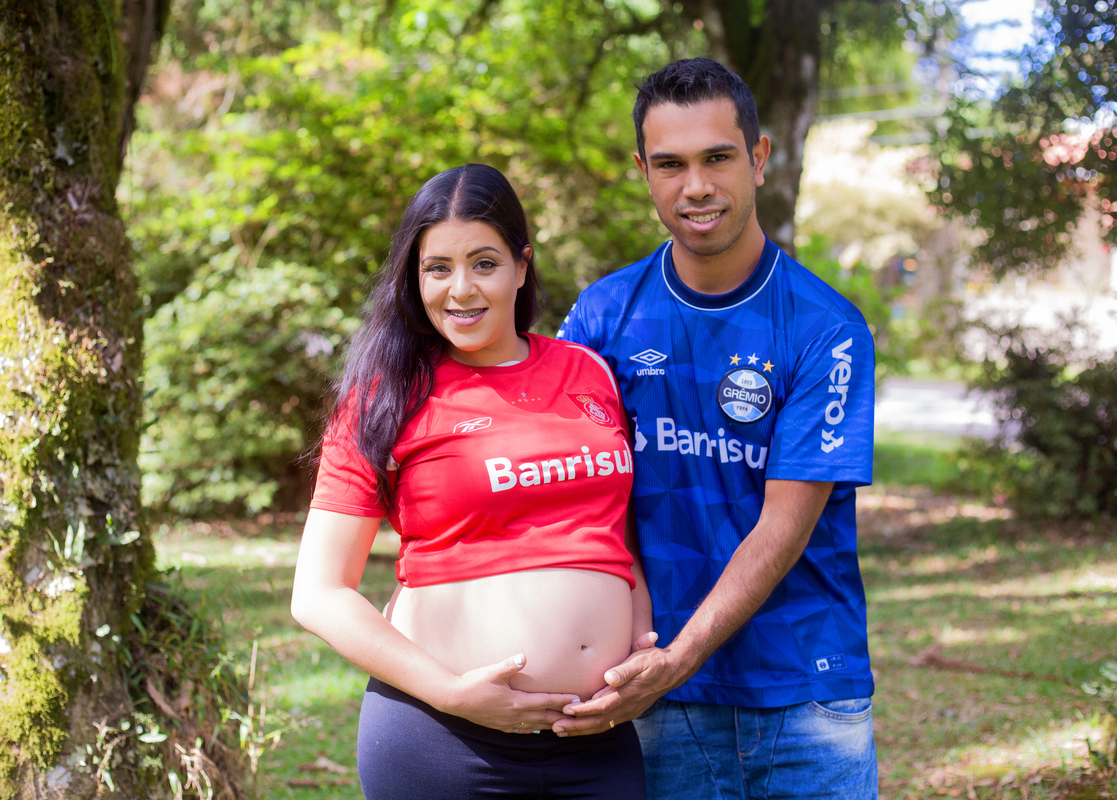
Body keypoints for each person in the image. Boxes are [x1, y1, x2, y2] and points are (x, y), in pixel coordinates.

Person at [555, 58, 879, 799]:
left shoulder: (825, 329)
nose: (695, 186)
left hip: (805, 692)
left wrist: (681, 655)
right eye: (670, 164)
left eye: (717, 158)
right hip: (652, 689)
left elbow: (783, 527)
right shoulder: (603, 318)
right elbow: (566, 488)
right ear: (643, 170)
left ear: (759, 159)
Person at [291, 163, 654, 799]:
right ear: (415, 277)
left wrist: (635, 647)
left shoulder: (588, 371)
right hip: (445, 741)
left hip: (596, 739)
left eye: (484, 263)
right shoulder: (387, 396)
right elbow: (319, 593)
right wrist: (452, 695)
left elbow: (613, 532)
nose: (460, 289)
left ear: (522, 264)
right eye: (438, 268)